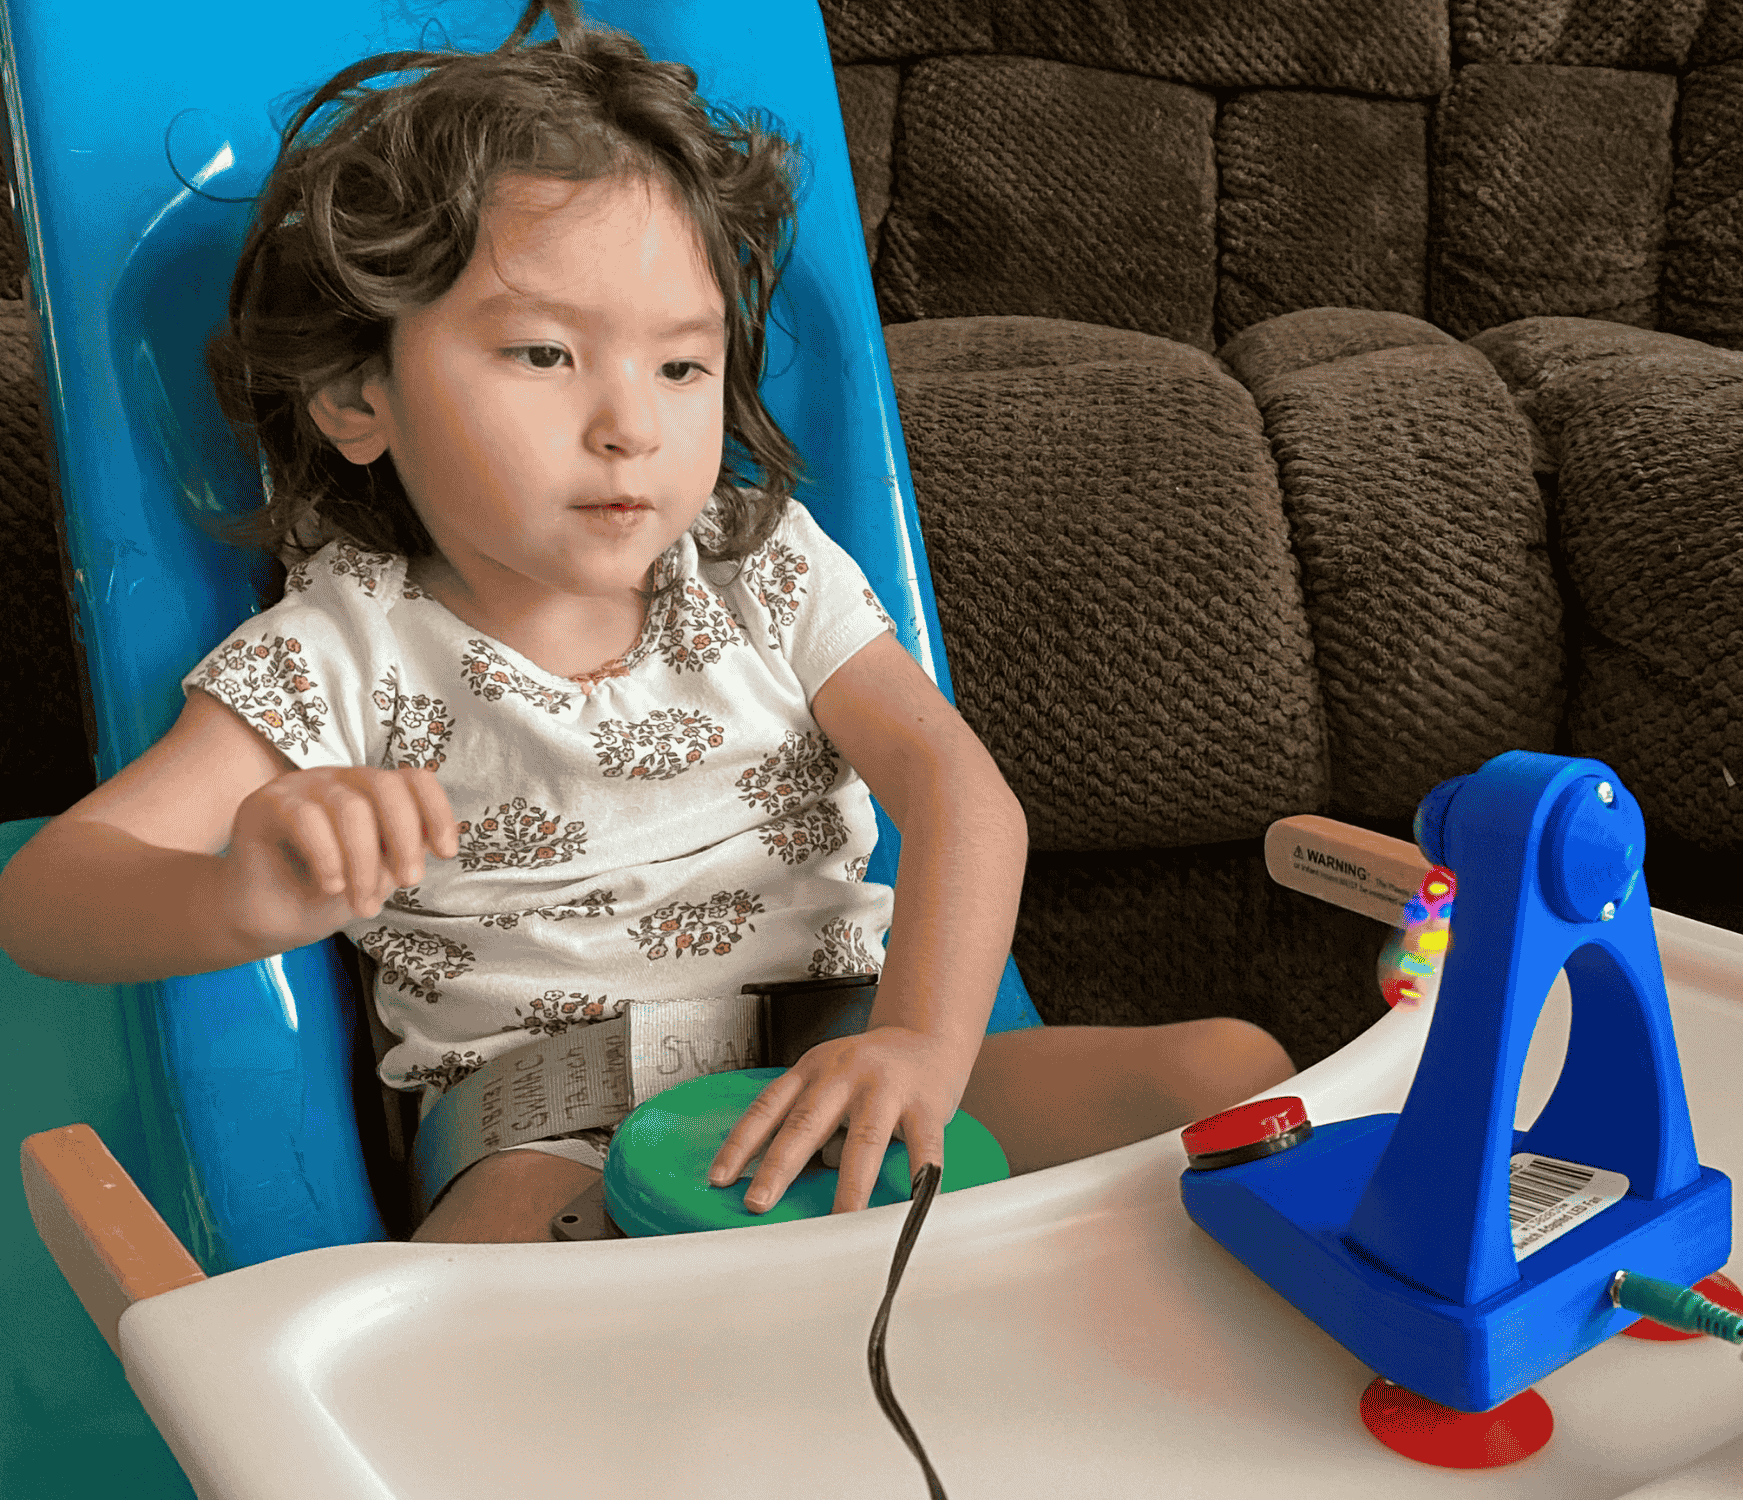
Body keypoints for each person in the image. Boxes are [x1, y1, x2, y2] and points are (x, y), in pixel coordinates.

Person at [0, 0, 1294, 1244]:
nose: (631, 422)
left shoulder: (758, 563)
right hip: (549, 1134)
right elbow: (50, 899)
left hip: (842, 1051)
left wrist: (919, 1044)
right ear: (357, 396)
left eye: (681, 364)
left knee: (1232, 1081)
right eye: (545, 355)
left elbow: (962, 793)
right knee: (442, 1365)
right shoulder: (343, 650)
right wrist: (238, 893)